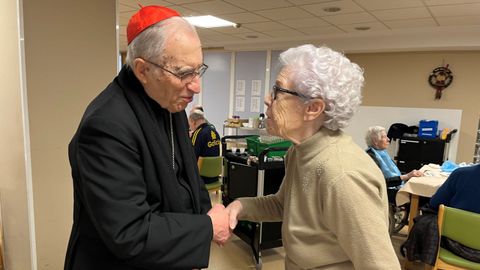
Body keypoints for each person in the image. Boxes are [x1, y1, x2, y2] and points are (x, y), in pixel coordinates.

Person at [64, 5, 231, 270]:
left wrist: (209, 210)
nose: (196, 86)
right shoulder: (105, 127)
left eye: (198, 70)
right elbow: (130, 233)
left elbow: (186, 175)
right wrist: (207, 227)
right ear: (142, 70)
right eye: (184, 73)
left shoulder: (169, 101)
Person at [226, 44, 401, 269]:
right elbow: (284, 205)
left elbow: (380, 265)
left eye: (278, 91)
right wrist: (240, 206)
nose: (268, 99)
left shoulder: (342, 174)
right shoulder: (300, 151)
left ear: (313, 108)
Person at [365, 126, 424, 202]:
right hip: (386, 192)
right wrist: (407, 176)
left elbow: (395, 174)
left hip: (394, 187)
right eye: (384, 137)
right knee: (421, 197)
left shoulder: (382, 153)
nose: (388, 139)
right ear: (375, 141)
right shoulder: (371, 156)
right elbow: (382, 182)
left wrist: (410, 175)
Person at [188, 108, 221, 184]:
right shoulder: (214, 131)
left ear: (193, 122)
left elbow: (191, 156)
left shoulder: (197, 134)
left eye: (190, 124)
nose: (190, 128)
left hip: (202, 178)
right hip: (215, 176)